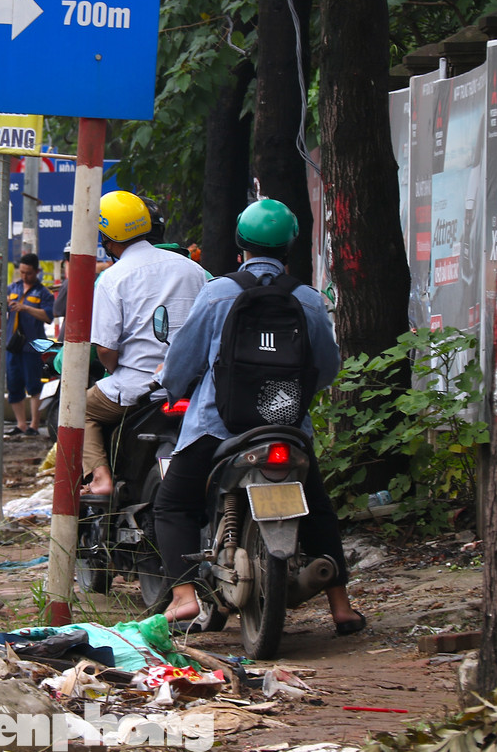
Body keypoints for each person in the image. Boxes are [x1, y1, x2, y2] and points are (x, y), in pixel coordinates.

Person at [155, 199, 366, 634]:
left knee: (173, 503)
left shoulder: (217, 293)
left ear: (240, 244)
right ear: (290, 245)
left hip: (217, 427)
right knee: (318, 510)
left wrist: (175, 386)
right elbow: (326, 370)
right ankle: (341, 606)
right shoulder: (307, 300)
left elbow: (183, 363)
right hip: (285, 429)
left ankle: (182, 598)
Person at [82, 191, 206, 496]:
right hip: (194, 386)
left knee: (77, 410)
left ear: (107, 237)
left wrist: (116, 369)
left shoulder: (113, 278)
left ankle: (100, 478)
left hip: (137, 388)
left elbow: (106, 351)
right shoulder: (194, 269)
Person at [5, 252, 53, 437]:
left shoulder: (43, 293)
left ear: (37, 272)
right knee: (14, 385)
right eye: (22, 272)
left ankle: (34, 424)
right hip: (13, 345)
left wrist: (25, 308)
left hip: (33, 346)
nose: (25, 276)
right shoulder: (12, 288)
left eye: (29, 273)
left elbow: (48, 316)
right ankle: (20, 424)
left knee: (34, 385)